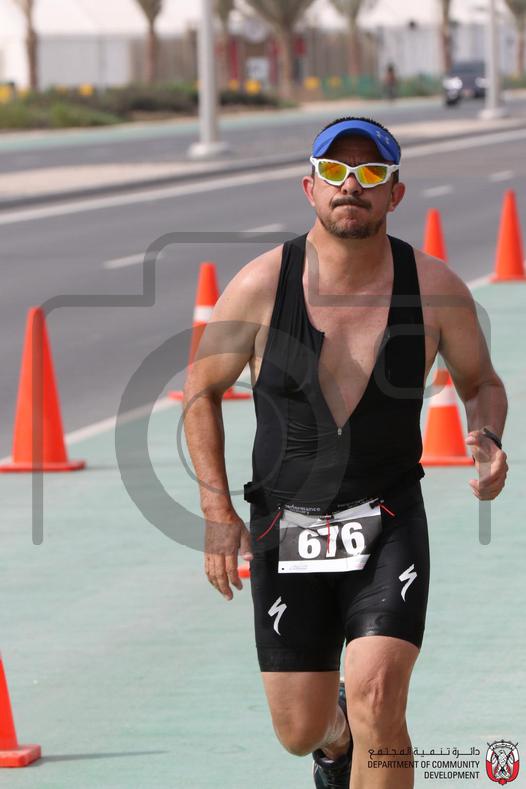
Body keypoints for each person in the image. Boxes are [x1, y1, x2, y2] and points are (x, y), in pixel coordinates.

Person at [182, 116, 508, 788]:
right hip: (284, 522)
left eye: (370, 172)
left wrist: (489, 437)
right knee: (298, 729)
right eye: (334, 171)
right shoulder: (261, 285)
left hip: (388, 517)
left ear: (395, 192)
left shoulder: (435, 288)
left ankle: (359, 731)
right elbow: (200, 392)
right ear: (310, 188)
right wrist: (217, 509)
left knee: (379, 695)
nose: (350, 185)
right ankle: (335, 740)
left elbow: (481, 383)